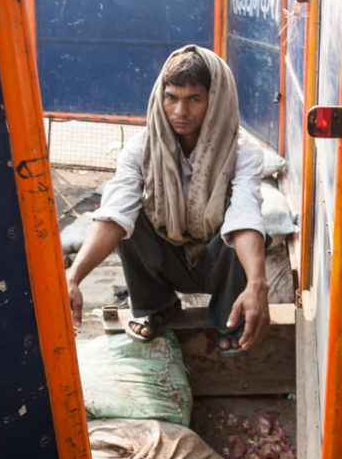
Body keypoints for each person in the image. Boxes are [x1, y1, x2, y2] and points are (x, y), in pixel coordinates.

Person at [65, 45, 269, 355]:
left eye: (194, 99)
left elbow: (245, 213)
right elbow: (114, 214)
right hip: (166, 259)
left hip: (218, 263)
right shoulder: (140, 148)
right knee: (124, 218)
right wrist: (73, 277)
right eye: (171, 97)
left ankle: (230, 318)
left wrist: (257, 283)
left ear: (216, 100)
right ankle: (159, 306)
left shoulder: (243, 150)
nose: (180, 112)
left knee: (248, 228)